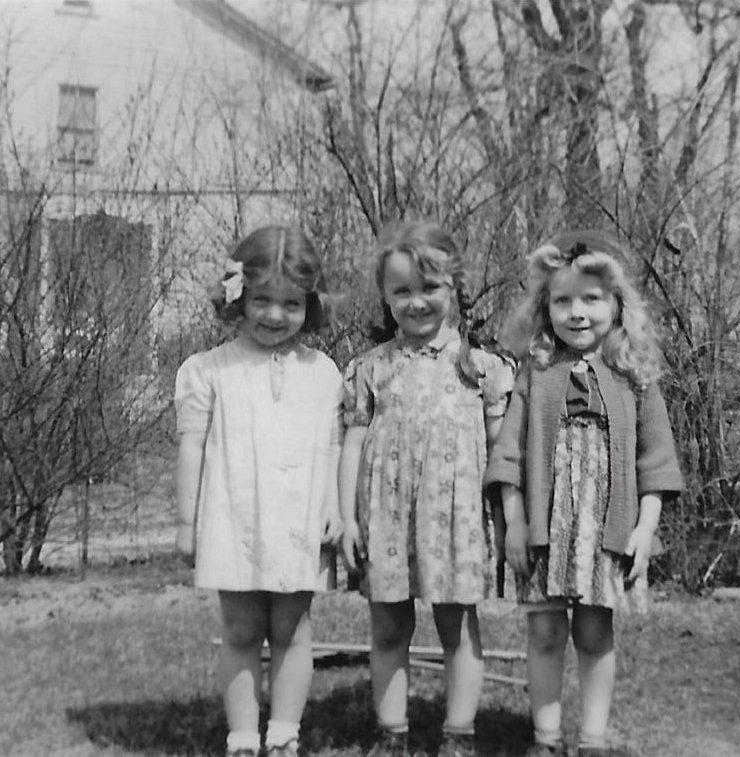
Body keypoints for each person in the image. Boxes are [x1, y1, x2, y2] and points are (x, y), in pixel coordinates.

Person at [484, 230, 683, 757]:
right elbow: (508, 456)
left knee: (595, 634)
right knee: (546, 633)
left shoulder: (635, 377)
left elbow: (656, 462)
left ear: (617, 304)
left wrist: (644, 529)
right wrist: (515, 522)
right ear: (543, 307)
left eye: (591, 299)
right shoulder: (535, 374)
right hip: (546, 533)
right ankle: (545, 739)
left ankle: (592, 740)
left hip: (605, 531)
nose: (577, 312)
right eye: (562, 300)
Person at [339, 220, 514, 757]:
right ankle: (391, 733)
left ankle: (459, 734)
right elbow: (351, 444)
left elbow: (503, 456)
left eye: (430, 288)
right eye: (402, 291)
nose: (416, 302)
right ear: (385, 297)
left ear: (455, 288)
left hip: (455, 518)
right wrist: (346, 518)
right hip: (386, 517)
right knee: (389, 627)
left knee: (457, 626)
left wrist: (508, 524)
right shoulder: (371, 369)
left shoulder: (481, 368)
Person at [175, 226, 343, 757]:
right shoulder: (209, 370)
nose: (274, 315)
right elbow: (192, 449)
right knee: (242, 630)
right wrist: (187, 523)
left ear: (310, 305)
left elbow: (332, 447)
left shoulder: (323, 373)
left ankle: (285, 734)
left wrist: (334, 507)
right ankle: (243, 736)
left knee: (293, 629)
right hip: (233, 517)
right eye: (262, 300)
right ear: (238, 297)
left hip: (297, 520)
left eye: (291, 303)